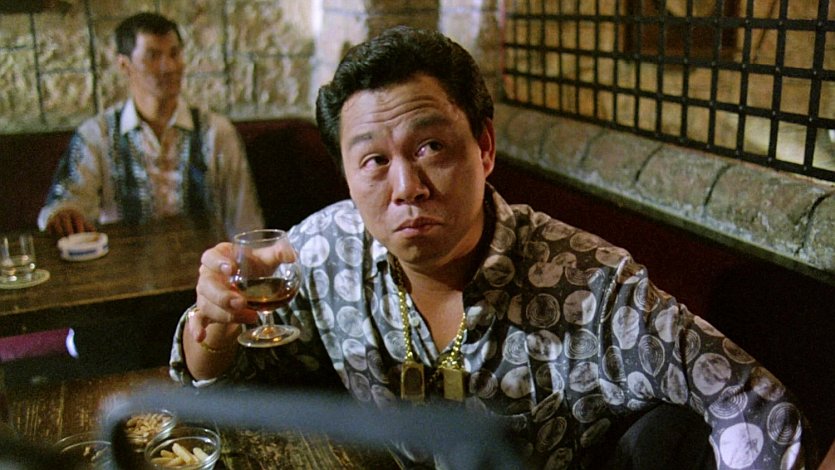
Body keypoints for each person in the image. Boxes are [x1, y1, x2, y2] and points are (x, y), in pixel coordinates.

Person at [170, 26, 818, 469]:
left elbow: (754, 406)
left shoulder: (592, 289)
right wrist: (214, 324)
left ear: (483, 147)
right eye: (374, 160)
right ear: (345, 172)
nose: (406, 187)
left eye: (430, 146)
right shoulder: (324, 251)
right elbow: (216, 381)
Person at [38, 12, 262, 239]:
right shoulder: (97, 135)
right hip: (123, 260)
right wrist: (65, 213)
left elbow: (245, 221)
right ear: (125, 65)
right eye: (153, 56)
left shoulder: (216, 132)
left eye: (174, 54)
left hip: (204, 259)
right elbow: (67, 202)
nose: (169, 67)